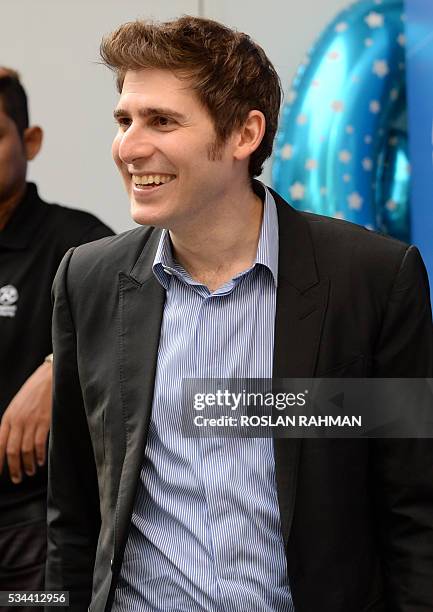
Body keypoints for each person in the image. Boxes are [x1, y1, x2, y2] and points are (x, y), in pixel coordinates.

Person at [46, 16, 433, 612]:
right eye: (124, 119)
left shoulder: (373, 279)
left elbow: (413, 512)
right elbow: (72, 514)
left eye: (162, 121)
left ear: (244, 134)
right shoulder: (88, 280)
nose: (129, 146)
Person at [0, 68, 114, 602]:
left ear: (30, 141)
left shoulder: (80, 244)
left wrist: (54, 369)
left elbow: (141, 330)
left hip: (35, 524)